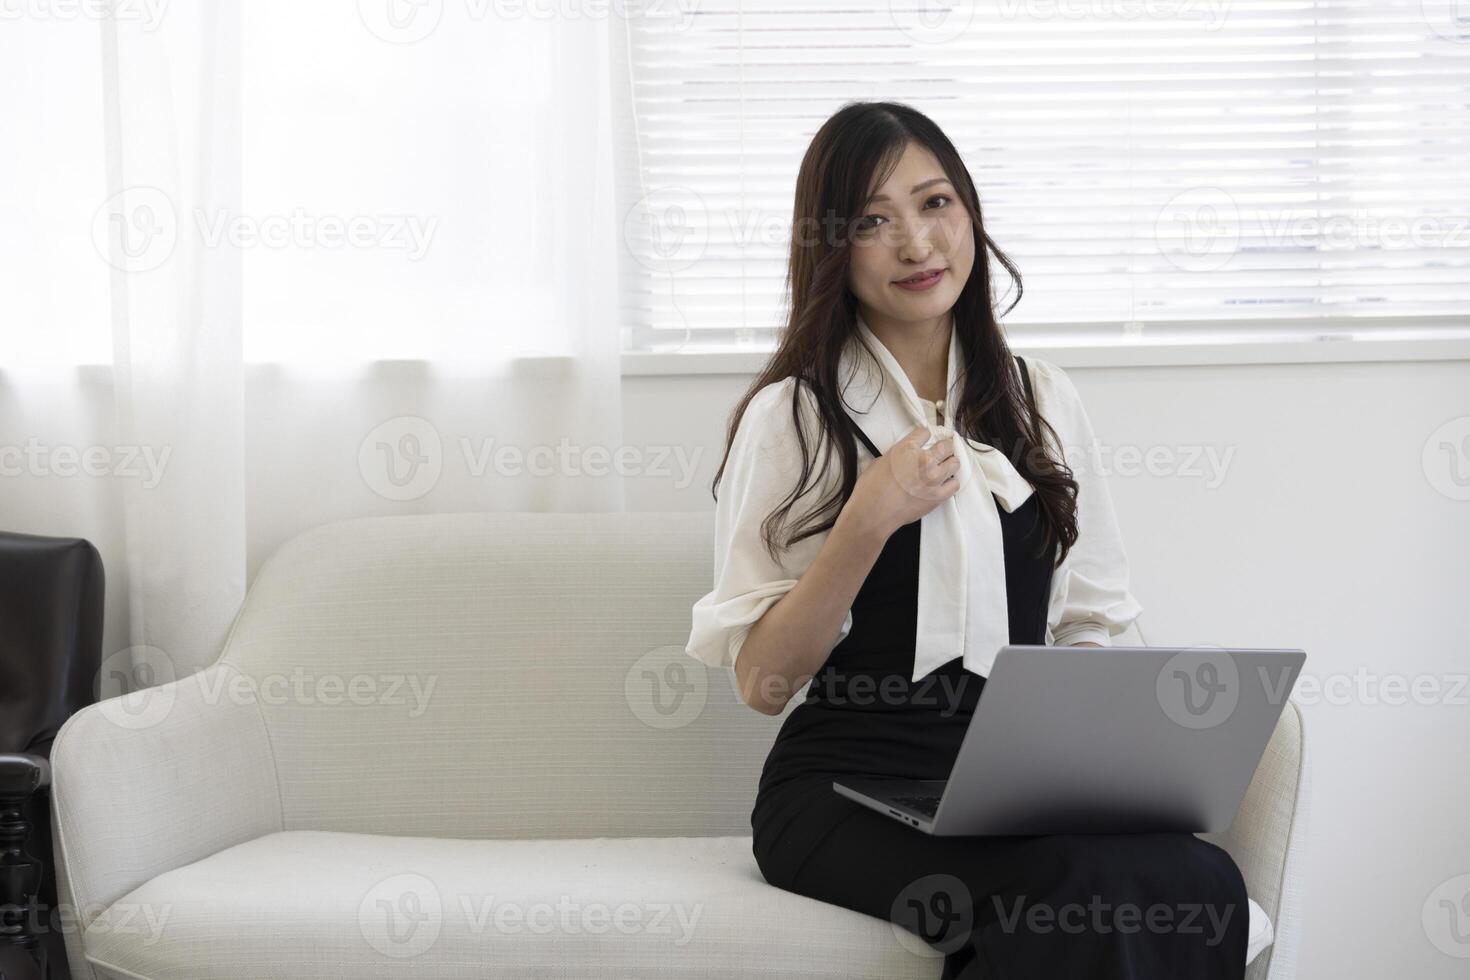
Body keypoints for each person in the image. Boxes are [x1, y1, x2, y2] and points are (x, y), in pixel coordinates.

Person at [684, 101, 1250, 979]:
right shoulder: (794, 416)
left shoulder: (1041, 398)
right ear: (833, 247)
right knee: (1068, 898)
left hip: (1009, 790)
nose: (917, 244)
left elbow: (1088, 620)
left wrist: (1103, 745)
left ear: (971, 215)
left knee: (1199, 876)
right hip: (844, 790)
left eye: (935, 203)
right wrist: (868, 516)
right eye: (873, 220)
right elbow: (763, 683)